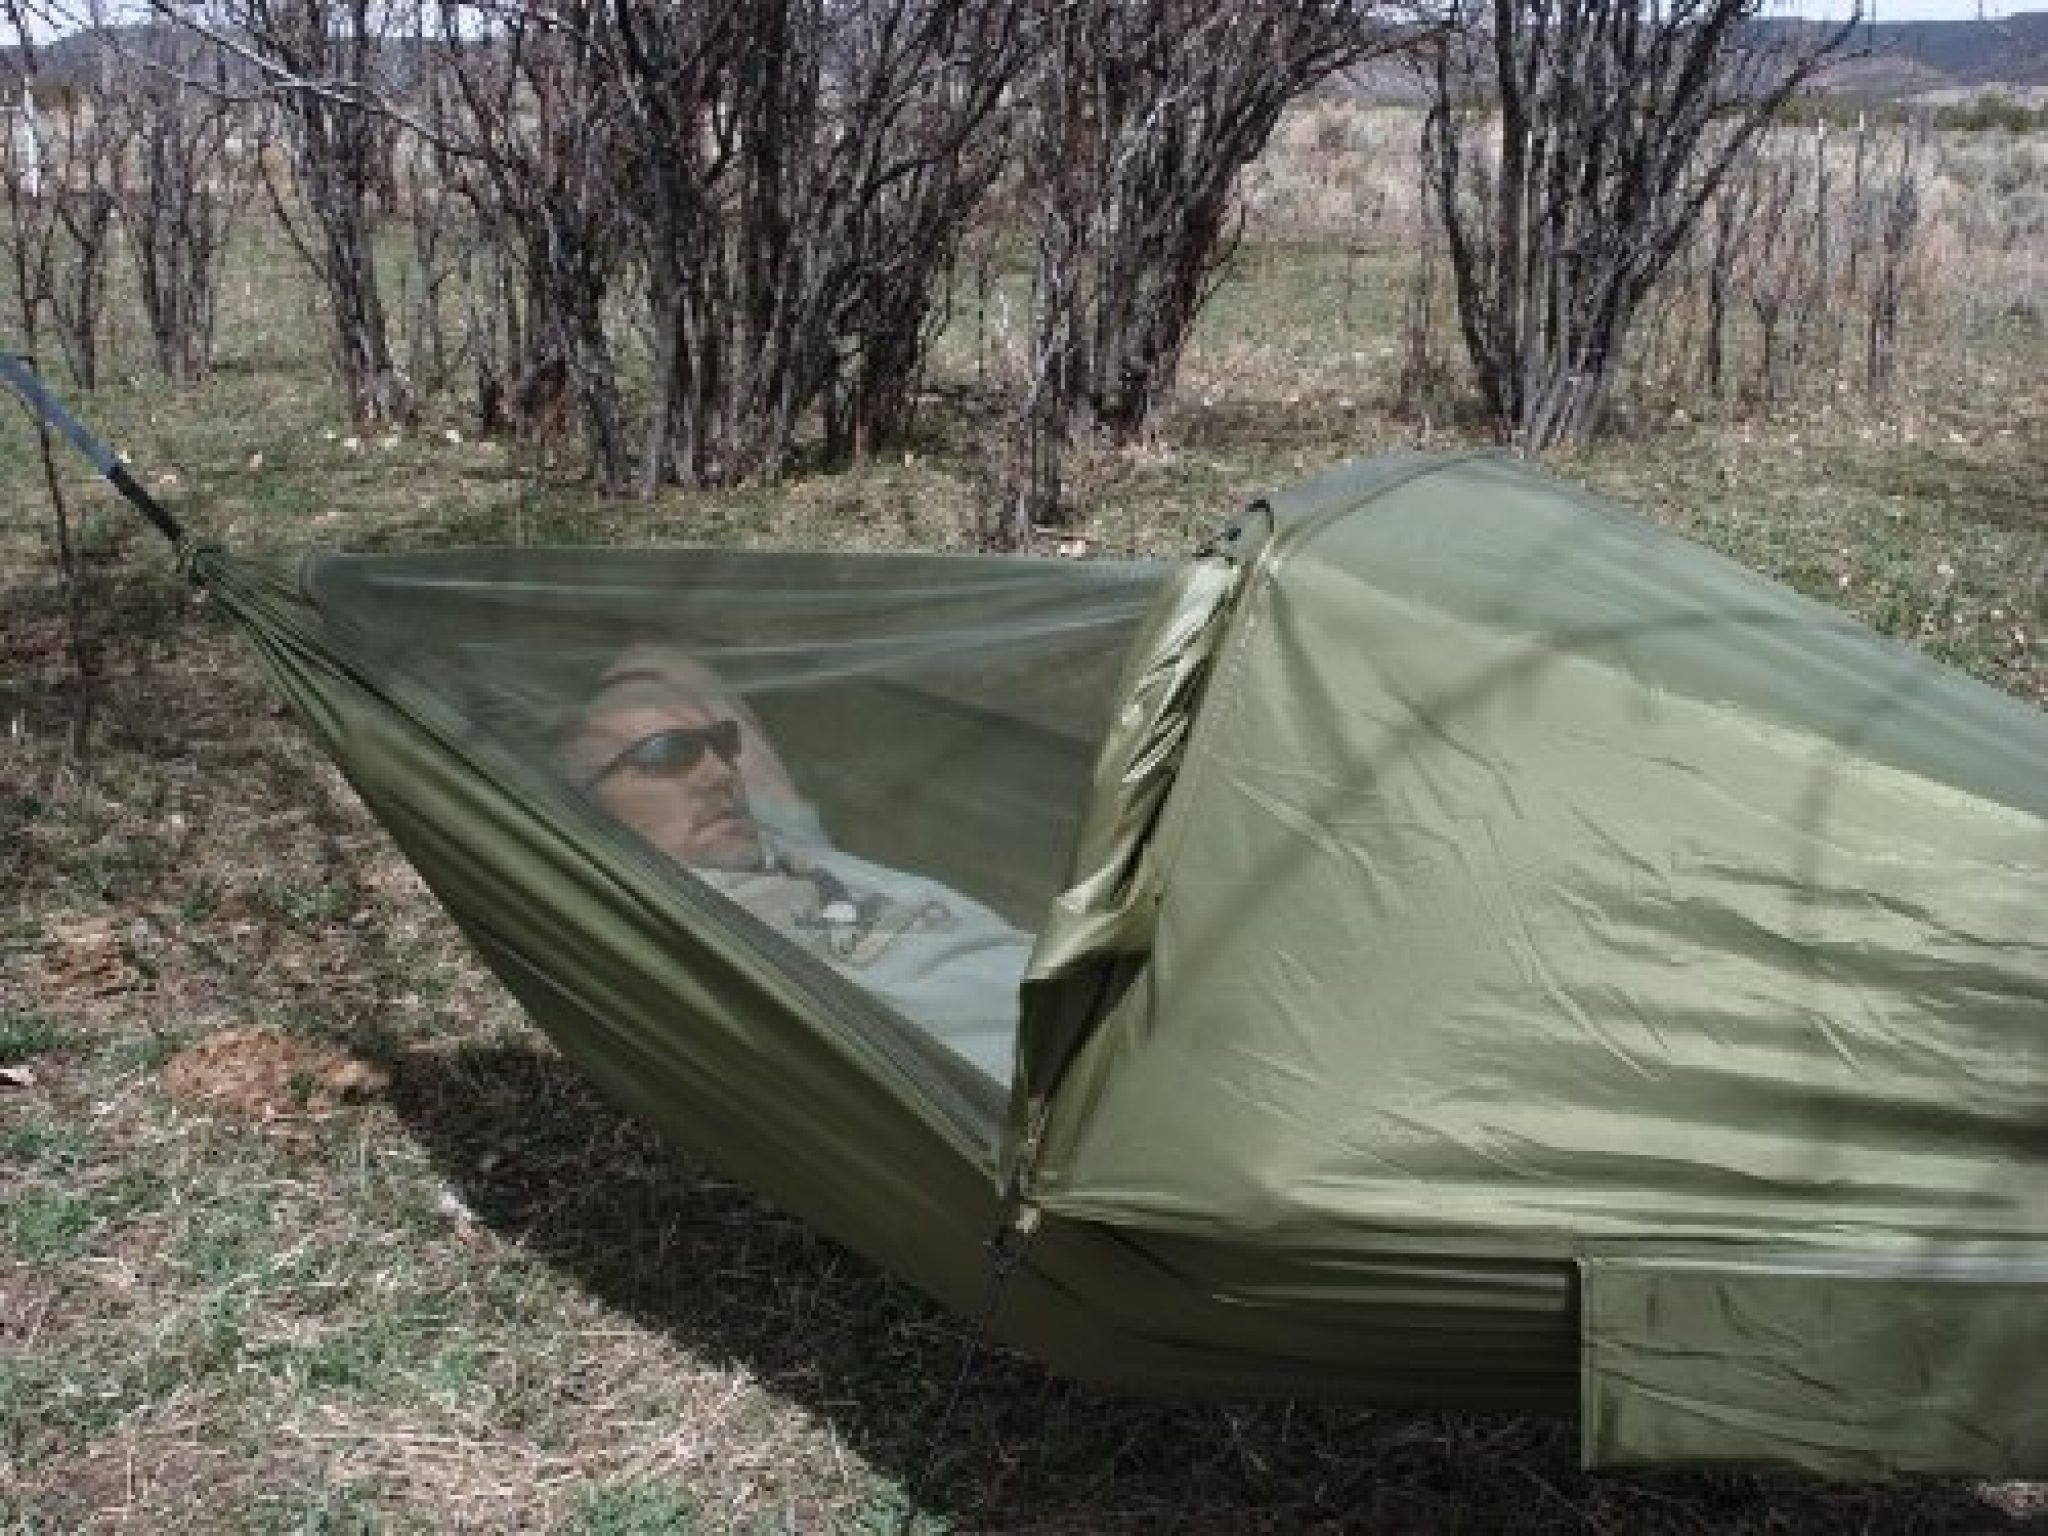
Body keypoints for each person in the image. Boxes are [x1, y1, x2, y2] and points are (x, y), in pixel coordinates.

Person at [558, 646, 1030, 1083]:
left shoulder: (787, 844)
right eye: (670, 752)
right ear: (590, 807)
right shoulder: (657, 925)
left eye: (721, 743)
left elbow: (662, 659)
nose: (721, 773)